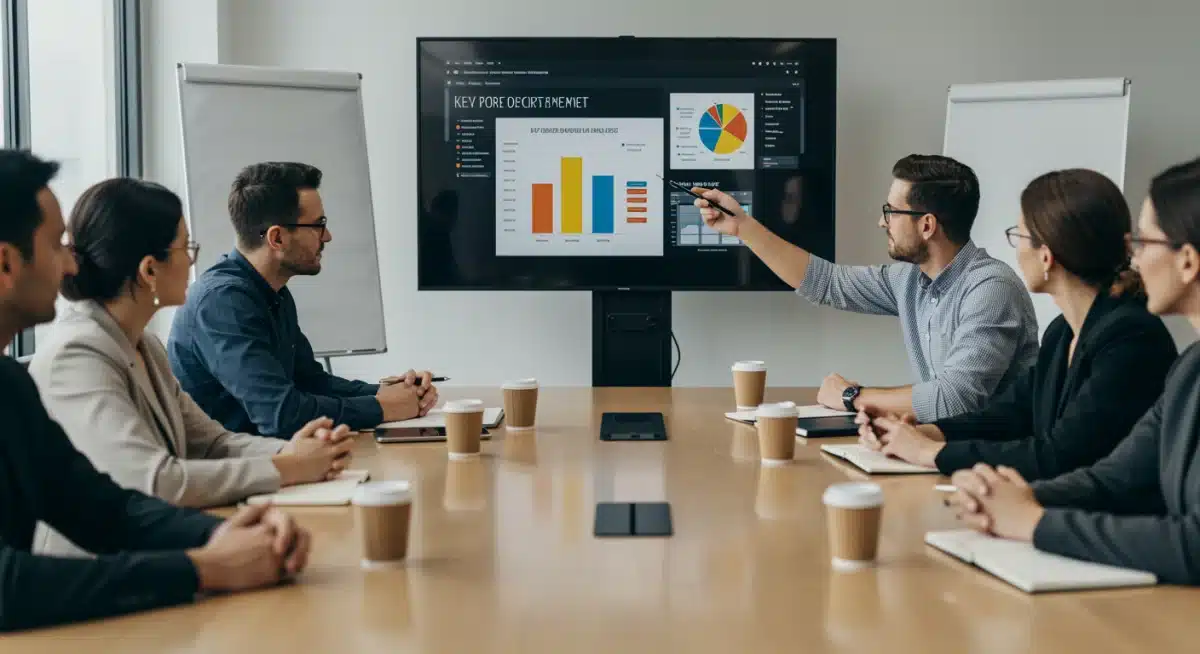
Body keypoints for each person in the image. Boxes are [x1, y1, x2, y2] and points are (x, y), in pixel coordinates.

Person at [0, 149, 311, 631]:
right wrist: (201, 567)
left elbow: (101, 507)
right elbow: (8, 583)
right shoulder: (73, 353)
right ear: (5, 262)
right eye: (57, 245)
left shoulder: (10, 384)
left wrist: (227, 533)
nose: (69, 265)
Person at [28, 178, 356, 557]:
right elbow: (155, 481)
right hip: (93, 576)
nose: (192, 258)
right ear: (149, 270)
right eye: (185, 246)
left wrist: (295, 451)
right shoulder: (78, 353)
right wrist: (288, 468)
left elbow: (214, 443)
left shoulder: (144, 344)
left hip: (151, 552)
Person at [946, 156, 1200, 585]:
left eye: (1144, 242)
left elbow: (1193, 545)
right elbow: (1113, 478)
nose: (1133, 258)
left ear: (1188, 261)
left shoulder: (1134, 337)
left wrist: (1031, 522)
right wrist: (1014, 499)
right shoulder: (1189, 369)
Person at [858, 169, 1177, 480]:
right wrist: (924, 432)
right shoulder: (1062, 332)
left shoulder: (1131, 338)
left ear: (1046, 256)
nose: (1017, 250)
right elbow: (1011, 415)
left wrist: (930, 454)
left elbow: (1061, 455)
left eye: (1020, 236)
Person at [695, 154, 1038, 422]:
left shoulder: (991, 289)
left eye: (890, 211)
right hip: (941, 450)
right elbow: (826, 282)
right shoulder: (910, 281)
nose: (881, 222)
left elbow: (954, 400)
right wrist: (742, 227)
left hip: (995, 468)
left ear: (927, 225)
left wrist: (853, 397)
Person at [168, 162, 439, 437]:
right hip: (231, 472)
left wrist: (390, 392)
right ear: (277, 237)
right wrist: (382, 408)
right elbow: (281, 415)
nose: (328, 237)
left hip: (273, 461)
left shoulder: (273, 293)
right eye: (319, 225)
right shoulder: (222, 304)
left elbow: (311, 382)